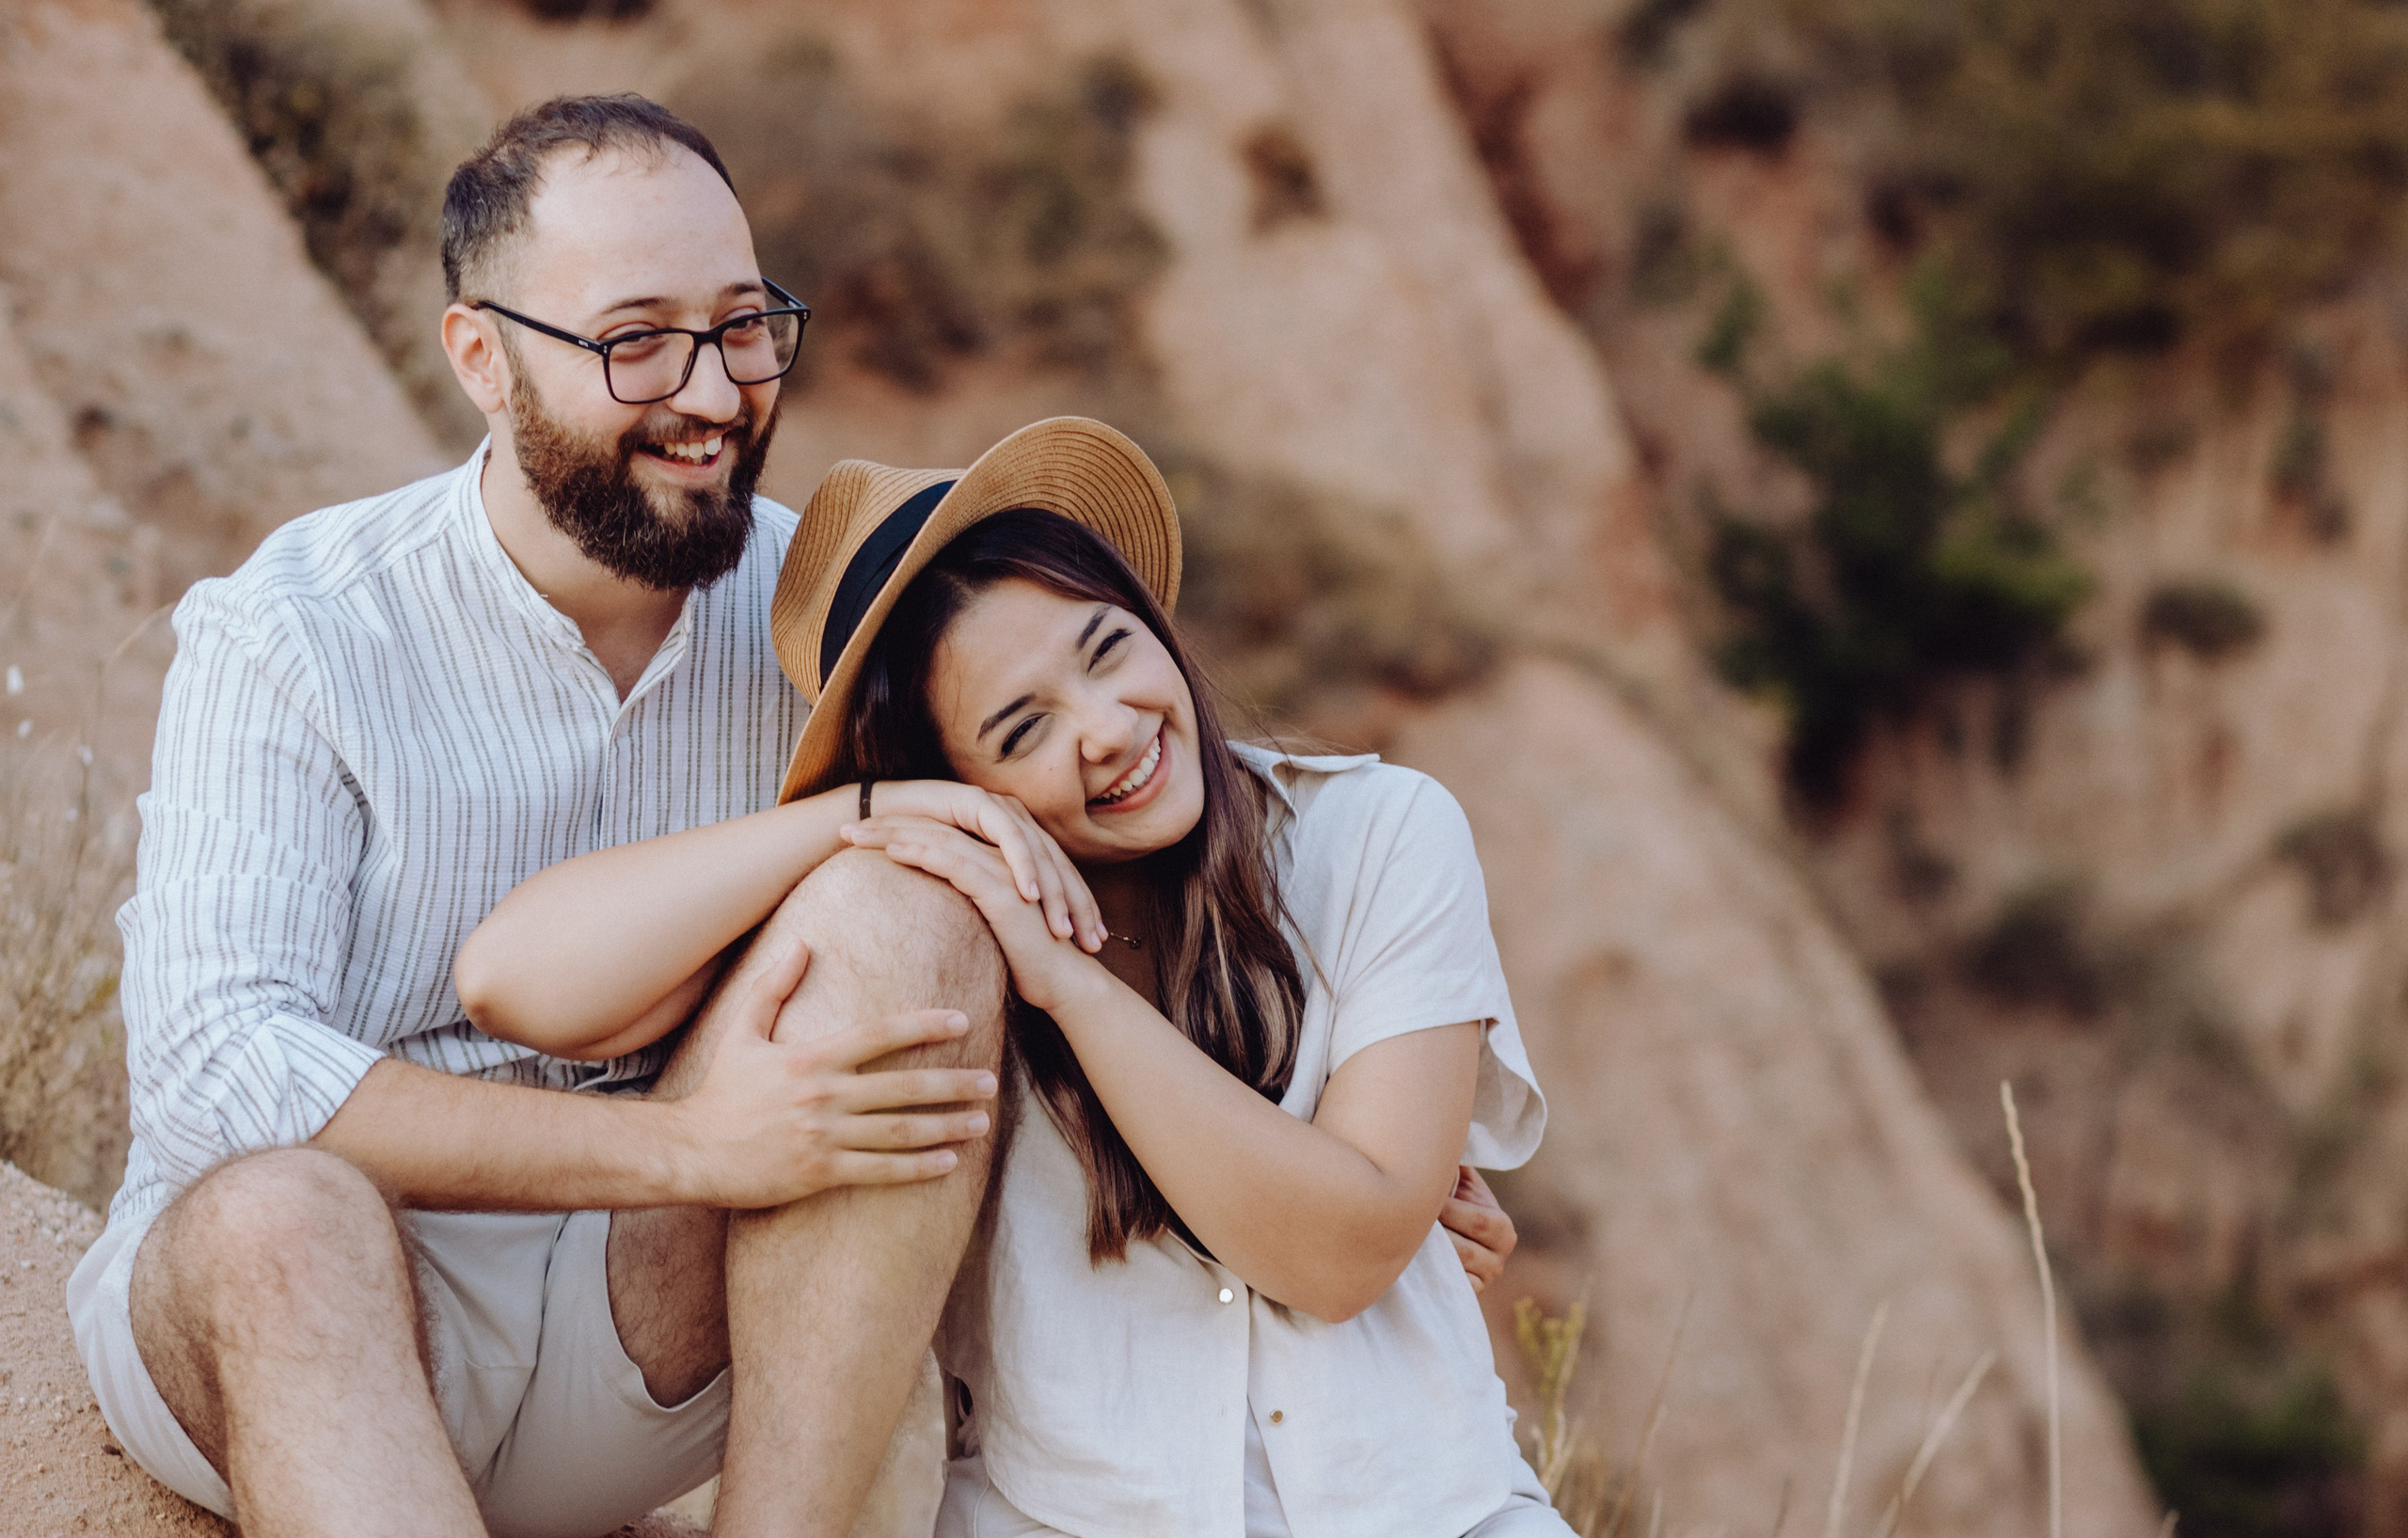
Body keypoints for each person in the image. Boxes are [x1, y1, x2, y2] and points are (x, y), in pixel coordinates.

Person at [69, 92, 1515, 1538]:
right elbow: (220, 1072)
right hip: (309, 1325)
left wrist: (1368, 1150)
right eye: (637, 341)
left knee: (906, 904)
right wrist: (693, 1151)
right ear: (482, 356)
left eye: (744, 324)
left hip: (649, 1326)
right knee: (282, 1215)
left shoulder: (840, 635)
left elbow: (1043, 882)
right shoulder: (298, 628)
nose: (712, 391)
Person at [467, 417, 1564, 1537]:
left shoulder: (1374, 835)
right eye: (1022, 727)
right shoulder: (924, 948)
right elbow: (515, 979)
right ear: (958, 783)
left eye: (1104, 650)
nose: (1106, 730)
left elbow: (1341, 1253)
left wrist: (1072, 989)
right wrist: (865, 816)